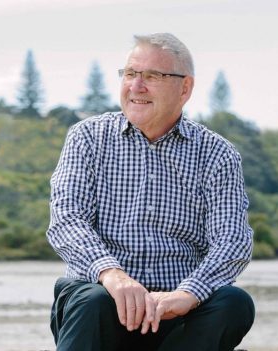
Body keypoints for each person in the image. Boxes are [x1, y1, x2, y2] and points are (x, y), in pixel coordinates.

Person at [46, 33, 255, 351]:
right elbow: (66, 220)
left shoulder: (217, 154)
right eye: (130, 74)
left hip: (177, 311)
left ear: (184, 88)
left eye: (152, 76)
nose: (136, 86)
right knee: (91, 300)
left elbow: (232, 242)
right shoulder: (87, 138)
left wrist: (187, 295)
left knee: (234, 302)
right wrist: (113, 275)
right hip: (100, 300)